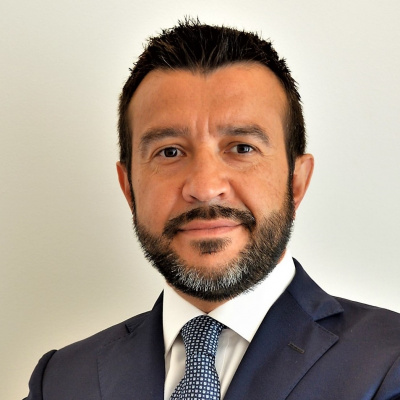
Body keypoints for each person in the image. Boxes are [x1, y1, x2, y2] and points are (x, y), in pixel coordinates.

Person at [24, 19, 400, 400]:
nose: (204, 189)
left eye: (242, 148)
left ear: (296, 182)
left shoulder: (390, 363)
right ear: (129, 188)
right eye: (169, 152)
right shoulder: (58, 382)